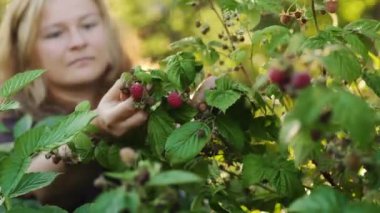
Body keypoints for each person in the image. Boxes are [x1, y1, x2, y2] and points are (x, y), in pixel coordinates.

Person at [0, 0, 148, 210]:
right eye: (55, 34)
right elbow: (25, 187)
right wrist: (93, 127)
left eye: (88, 25)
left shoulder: (141, 94)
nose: (78, 42)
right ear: (23, 49)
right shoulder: (8, 120)